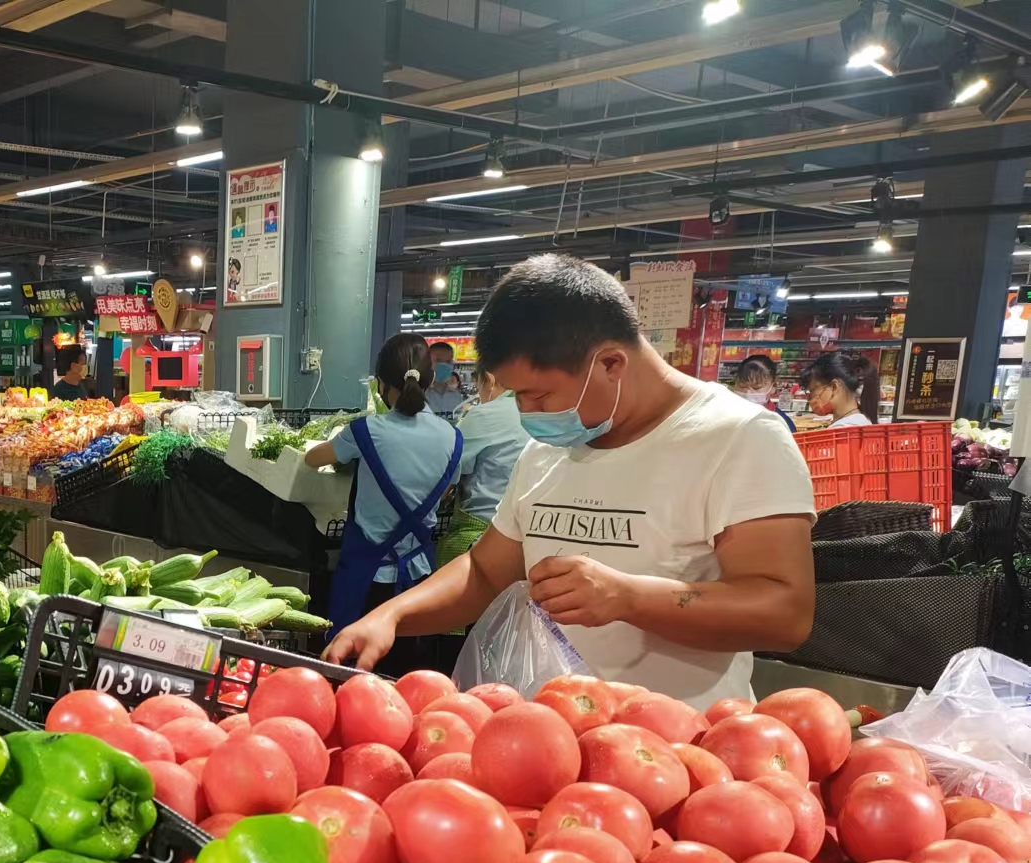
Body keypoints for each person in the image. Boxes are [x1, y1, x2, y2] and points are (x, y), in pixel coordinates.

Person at [324, 254, 816, 708]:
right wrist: (392, 616)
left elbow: (785, 612)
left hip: (675, 748)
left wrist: (629, 597)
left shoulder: (739, 439)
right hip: (549, 744)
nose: (526, 414)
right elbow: (485, 572)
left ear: (611, 363)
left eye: (538, 396)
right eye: (516, 396)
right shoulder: (547, 450)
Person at [304, 333, 465, 677]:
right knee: (406, 679)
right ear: (429, 380)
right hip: (418, 583)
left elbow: (312, 458)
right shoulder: (453, 438)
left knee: (350, 674)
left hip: (367, 579)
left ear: (381, 384)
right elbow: (446, 492)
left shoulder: (365, 431)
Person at [439, 367, 532, 558]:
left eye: (478, 386)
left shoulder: (483, 415)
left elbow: (447, 474)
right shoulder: (536, 412)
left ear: (489, 380)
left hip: (481, 535)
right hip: (528, 536)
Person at [803, 349, 879, 427]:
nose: (810, 398)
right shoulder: (862, 420)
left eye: (812, 391)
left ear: (834, 387)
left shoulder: (842, 428)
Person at [732, 353, 797, 430]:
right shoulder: (724, 414)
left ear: (773, 387)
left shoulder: (782, 424)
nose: (748, 393)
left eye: (756, 387)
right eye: (742, 386)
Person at [425, 342, 466, 419]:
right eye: (438, 360)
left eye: (448, 361)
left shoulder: (456, 396)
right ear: (427, 362)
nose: (443, 365)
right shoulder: (419, 395)